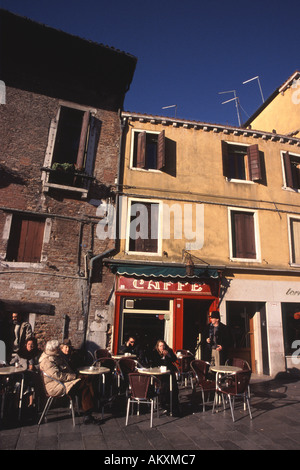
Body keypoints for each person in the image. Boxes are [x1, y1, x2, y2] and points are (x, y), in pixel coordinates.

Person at [39, 339, 97, 424]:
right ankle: (94, 405)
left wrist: (75, 375)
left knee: (86, 380)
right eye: (58, 348)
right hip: (55, 386)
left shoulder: (56, 356)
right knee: (84, 383)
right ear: (53, 349)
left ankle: (89, 413)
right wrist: (74, 376)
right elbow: (58, 376)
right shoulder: (47, 361)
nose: (59, 349)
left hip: (62, 382)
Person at [10, 336, 41, 407]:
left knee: (30, 383)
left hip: (31, 374)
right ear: (26, 345)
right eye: (29, 344)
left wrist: (34, 367)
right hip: (20, 374)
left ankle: (31, 403)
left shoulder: (36, 354)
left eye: (32, 344)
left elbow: (41, 365)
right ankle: (16, 403)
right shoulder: (20, 353)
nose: (30, 346)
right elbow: (12, 362)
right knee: (18, 385)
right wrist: (16, 365)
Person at [151, 339, 179, 415]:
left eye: (163, 346)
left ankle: (172, 404)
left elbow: (174, 359)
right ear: (157, 346)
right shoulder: (155, 352)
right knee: (163, 385)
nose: (162, 348)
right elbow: (154, 363)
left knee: (172, 385)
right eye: (160, 346)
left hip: (169, 371)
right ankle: (163, 403)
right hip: (160, 373)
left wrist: (167, 355)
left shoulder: (169, 351)